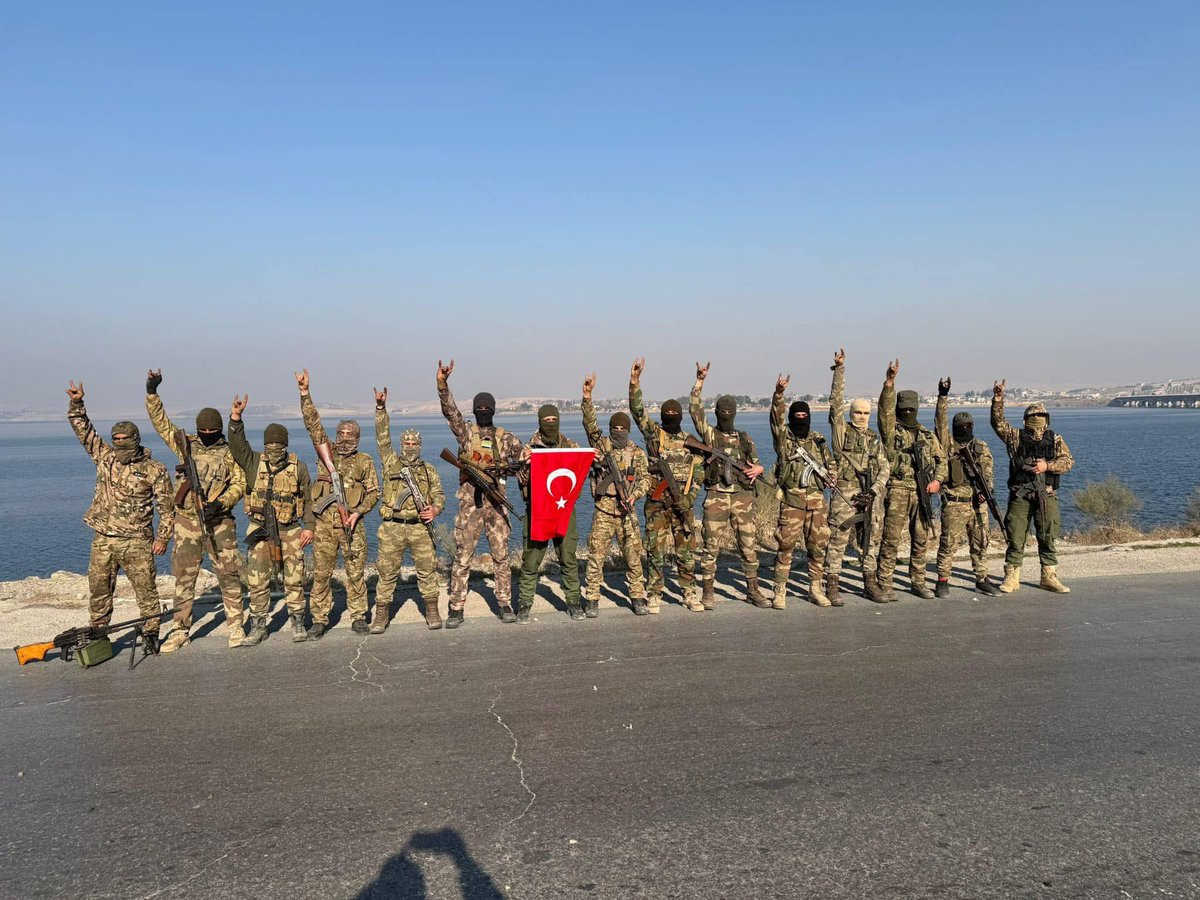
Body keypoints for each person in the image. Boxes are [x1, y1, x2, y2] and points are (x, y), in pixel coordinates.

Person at [66, 380, 172, 652]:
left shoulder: (155, 469)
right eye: (116, 439)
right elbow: (84, 431)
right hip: (103, 538)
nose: (120, 443)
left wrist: (163, 537)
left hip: (137, 541)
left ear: (136, 439)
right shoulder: (105, 458)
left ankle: (151, 632)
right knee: (99, 589)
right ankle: (99, 634)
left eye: (125, 438)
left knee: (145, 590)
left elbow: (166, 506)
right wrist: (77, 403)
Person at [145, 369, 247, 650]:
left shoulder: (230, 452)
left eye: (213, 431)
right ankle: (180, 630)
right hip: (187, 522)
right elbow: (161, 424)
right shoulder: (186, 445)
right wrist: (152, 392)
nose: (208, 435)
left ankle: (236, 626)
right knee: (184, 579)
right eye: (204, 431)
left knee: (229, 575)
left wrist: (222, 503)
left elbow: (240, 483)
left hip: (220, 522)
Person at [437, 360, 523, 627]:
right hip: (470, 506)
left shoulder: (507, 438)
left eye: (487, 408)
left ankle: (505, 603)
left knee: (501, 556)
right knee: (463, 556)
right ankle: (456, 607)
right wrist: (442, 385)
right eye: (479, 409)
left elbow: (523, 463)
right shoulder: (466, 434)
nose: (483, 412)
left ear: (493, 410)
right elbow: (450, 413)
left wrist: (511, 467)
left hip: (496, 504)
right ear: (474, 411)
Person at [297, 370, 379, 637]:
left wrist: (358, 513)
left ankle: (358, 616)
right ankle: (320, 619)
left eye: (349, 434)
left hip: (351, 527)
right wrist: (305, 393)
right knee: (321, 575)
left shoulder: (364, 461)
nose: (344, 437)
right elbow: (313, 424)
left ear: (357, 437)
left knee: (355, 575)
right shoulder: (327, 453)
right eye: (340, 433)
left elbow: (374, 493)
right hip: (323, 528)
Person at [228, 395, 315, 645]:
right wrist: (236, 418)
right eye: (270, 443)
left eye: (278, 444)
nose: (274, 447)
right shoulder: (254, 462)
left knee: (295, 579)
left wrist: (309, 527)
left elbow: (308, 499)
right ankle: (258, 626)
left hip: (290, 530)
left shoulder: (299, 467)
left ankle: (298, 623)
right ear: (264, 444)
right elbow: (237, 445)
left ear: (286, 445)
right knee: (257, 581)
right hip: (260, 529)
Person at [689, 362, 768, 608]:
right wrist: (699, 381)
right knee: (710, 546)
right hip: (716, 496)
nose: (726, 415)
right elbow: (695, 410)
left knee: (748, 545)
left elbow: (756, 464)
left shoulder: (744, 438)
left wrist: (760, 469)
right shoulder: (710, 435)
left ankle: (753, 590)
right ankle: (708, 592)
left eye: (729, 412)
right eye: (722, 412)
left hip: (742, 497)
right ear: (717, 413)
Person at [629, 358, 704, 611]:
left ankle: (689, 592)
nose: (671, 417)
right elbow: (638, 412)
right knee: (655, 550)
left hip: (681, 504)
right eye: (667, 415)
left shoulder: (690, 441)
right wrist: (635, 382)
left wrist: (689, 500)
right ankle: (654, 593)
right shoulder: (654, 435)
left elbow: (698, 474)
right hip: (657, 503)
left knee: (686, 551)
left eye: (674, 414)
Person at [371, 386, 445, 632]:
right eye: (407, 442)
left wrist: (435, 509)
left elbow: (439, 495)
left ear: (419, 445)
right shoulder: (390, 462)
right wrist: (381, 408)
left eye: (414, 443)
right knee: (387, 573)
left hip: (420, 528)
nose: (410, 446)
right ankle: (381, 615)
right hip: (392, 528)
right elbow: (382, 437)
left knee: (427, 572)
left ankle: (432, 611)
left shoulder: (429, 470)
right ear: (401, 444)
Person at [990, 381, 1075, 594]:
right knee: (1016, 536)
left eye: (1040, 416)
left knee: (1048, 535)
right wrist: (998, 399)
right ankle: (1012, 577)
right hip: (1021, 494)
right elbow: (998, 423)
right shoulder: (1015, 437)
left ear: (1046, 419)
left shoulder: (1055, 439)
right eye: (1033, 416)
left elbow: (1068, 462)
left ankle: (1049, 576)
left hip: (1046, 495)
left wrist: (1048, 466)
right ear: (1025, 420)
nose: (1037, 420)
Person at [875, 359, 947, 600]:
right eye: (903, 409)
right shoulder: (891, 431)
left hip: (922, 491)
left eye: (910, 409)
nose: (907, 413)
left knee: (921, 538)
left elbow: (942, 461)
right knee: (891, 539)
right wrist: (889, 382)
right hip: (897, 489)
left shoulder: (927, 435)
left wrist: (937, 481)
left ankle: (918, 581)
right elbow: (884, 411)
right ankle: (885, 582)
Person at [823, 349, 890, 604]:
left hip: (870, 495)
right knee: (838, 538)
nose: (861, 416)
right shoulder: (842, 433)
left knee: (871, 539)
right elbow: (835, 404)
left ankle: (869, 583)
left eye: (865, 413)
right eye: (858, 412)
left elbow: (884, 467)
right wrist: (839, 370)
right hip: (845, 495)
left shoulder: (874, 439)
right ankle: (832, 584)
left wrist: (874, 490)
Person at [582, 374, 652, 615]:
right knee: (596, 556)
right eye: (615, 428)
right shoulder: (602, 446)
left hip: (626, 510)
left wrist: (635, 495)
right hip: (603, 510)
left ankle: (637, 596)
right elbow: (590, 425)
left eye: (623, 429)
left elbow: (646, 479)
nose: (619, 431)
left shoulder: (637, 453)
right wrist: (587, 397)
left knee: (634, 556)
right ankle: (592, 598)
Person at [770, 373, 834, 609]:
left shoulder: (818, 440)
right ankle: (779, 591)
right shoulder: (783, 439)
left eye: (803, 416)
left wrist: (831, 477)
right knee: (785, 547)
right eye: (796, 416)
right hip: (792, 502)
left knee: (817, 548)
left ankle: (816, 589)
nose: (800, 419)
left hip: (817, 504)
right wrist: (779, 395)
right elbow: (776, 419)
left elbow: (830, 463)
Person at [516, 404, 586, 622]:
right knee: (531, 561)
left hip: (564, 510)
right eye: (546, 420)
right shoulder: (529, 448)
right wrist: (526, 464)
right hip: (537, 511)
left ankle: (574, 602)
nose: (550, 423)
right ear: (539, 421)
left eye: (553, 419)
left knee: (568, 558)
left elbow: (580, 473)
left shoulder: (570, 446)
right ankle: (524, 604)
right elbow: (522, 481)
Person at [933, 377, 999, 597]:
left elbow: (988, 474)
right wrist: (943, 396)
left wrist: (985, 492)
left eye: (968, 426)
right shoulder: (947, 445)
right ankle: (943, 580)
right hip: (955, 504)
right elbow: (940, 421)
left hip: (978, 504)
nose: (965, 429)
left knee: (981, 543)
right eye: (961, 427)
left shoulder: (981, 447)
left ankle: (982, 578)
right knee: (948, 545)